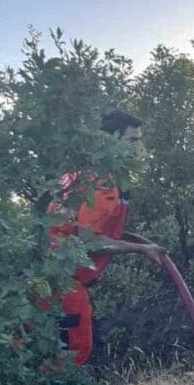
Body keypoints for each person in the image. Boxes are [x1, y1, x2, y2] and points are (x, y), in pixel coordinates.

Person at [49, 109, 164, 365]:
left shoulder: (83, 174)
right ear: (110, 142)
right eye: (132, 141)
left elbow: (87, 227)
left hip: (47, 278)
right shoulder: (102, 184)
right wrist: (140, 249)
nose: (139, 149)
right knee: (71, 353)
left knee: (40, 352)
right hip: (62, 283)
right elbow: (89, 241)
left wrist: (141, 242)